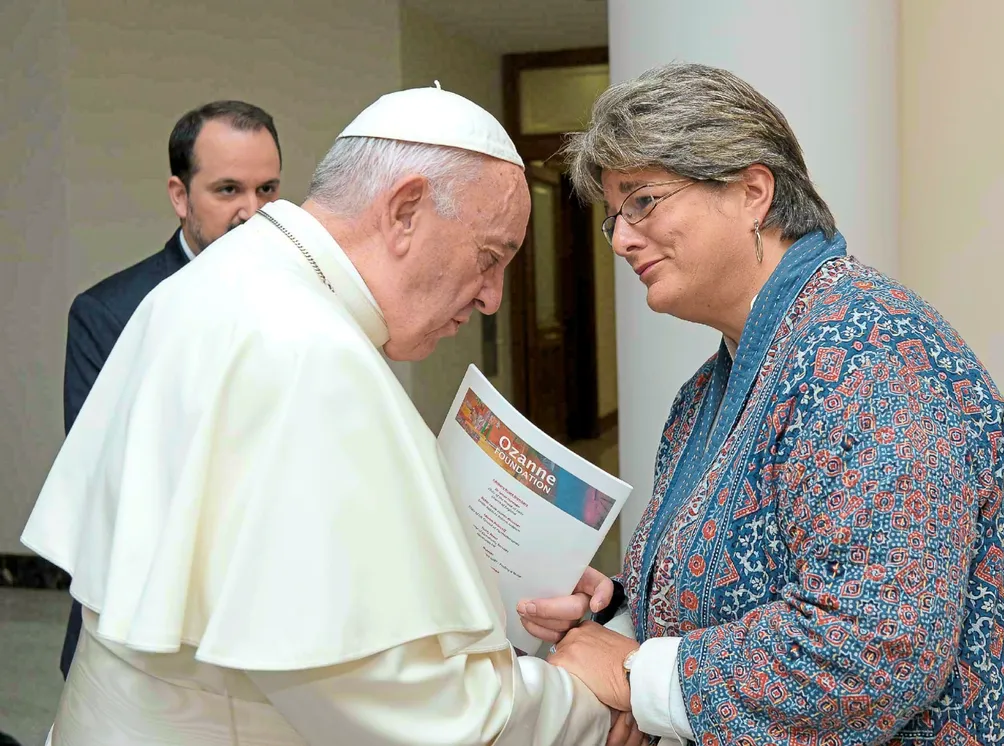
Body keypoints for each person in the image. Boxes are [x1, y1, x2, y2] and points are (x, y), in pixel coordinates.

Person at [23, 86, 643, 745]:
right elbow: (421, 713)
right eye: (489, 258)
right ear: (404, 211)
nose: (491, 298)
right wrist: (578, 691)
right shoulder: (310, 354)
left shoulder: (225, 276)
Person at [519, 63, 1004, 745]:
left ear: (752, 192)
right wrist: (620, 610)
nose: (620, 239)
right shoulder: (709, 389)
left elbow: (875, 650)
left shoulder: (874, 351)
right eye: (614, 216)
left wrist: (639, 676)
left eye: (643, 201)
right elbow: (749, 581)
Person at [57, 99, 282, 678]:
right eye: (228, 190)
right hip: (141, 631)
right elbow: (103, 481)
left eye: (267, 190)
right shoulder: (108, 312)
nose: (251, 212)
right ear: (180, 196)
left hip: (267, 620)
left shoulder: (304, 300)